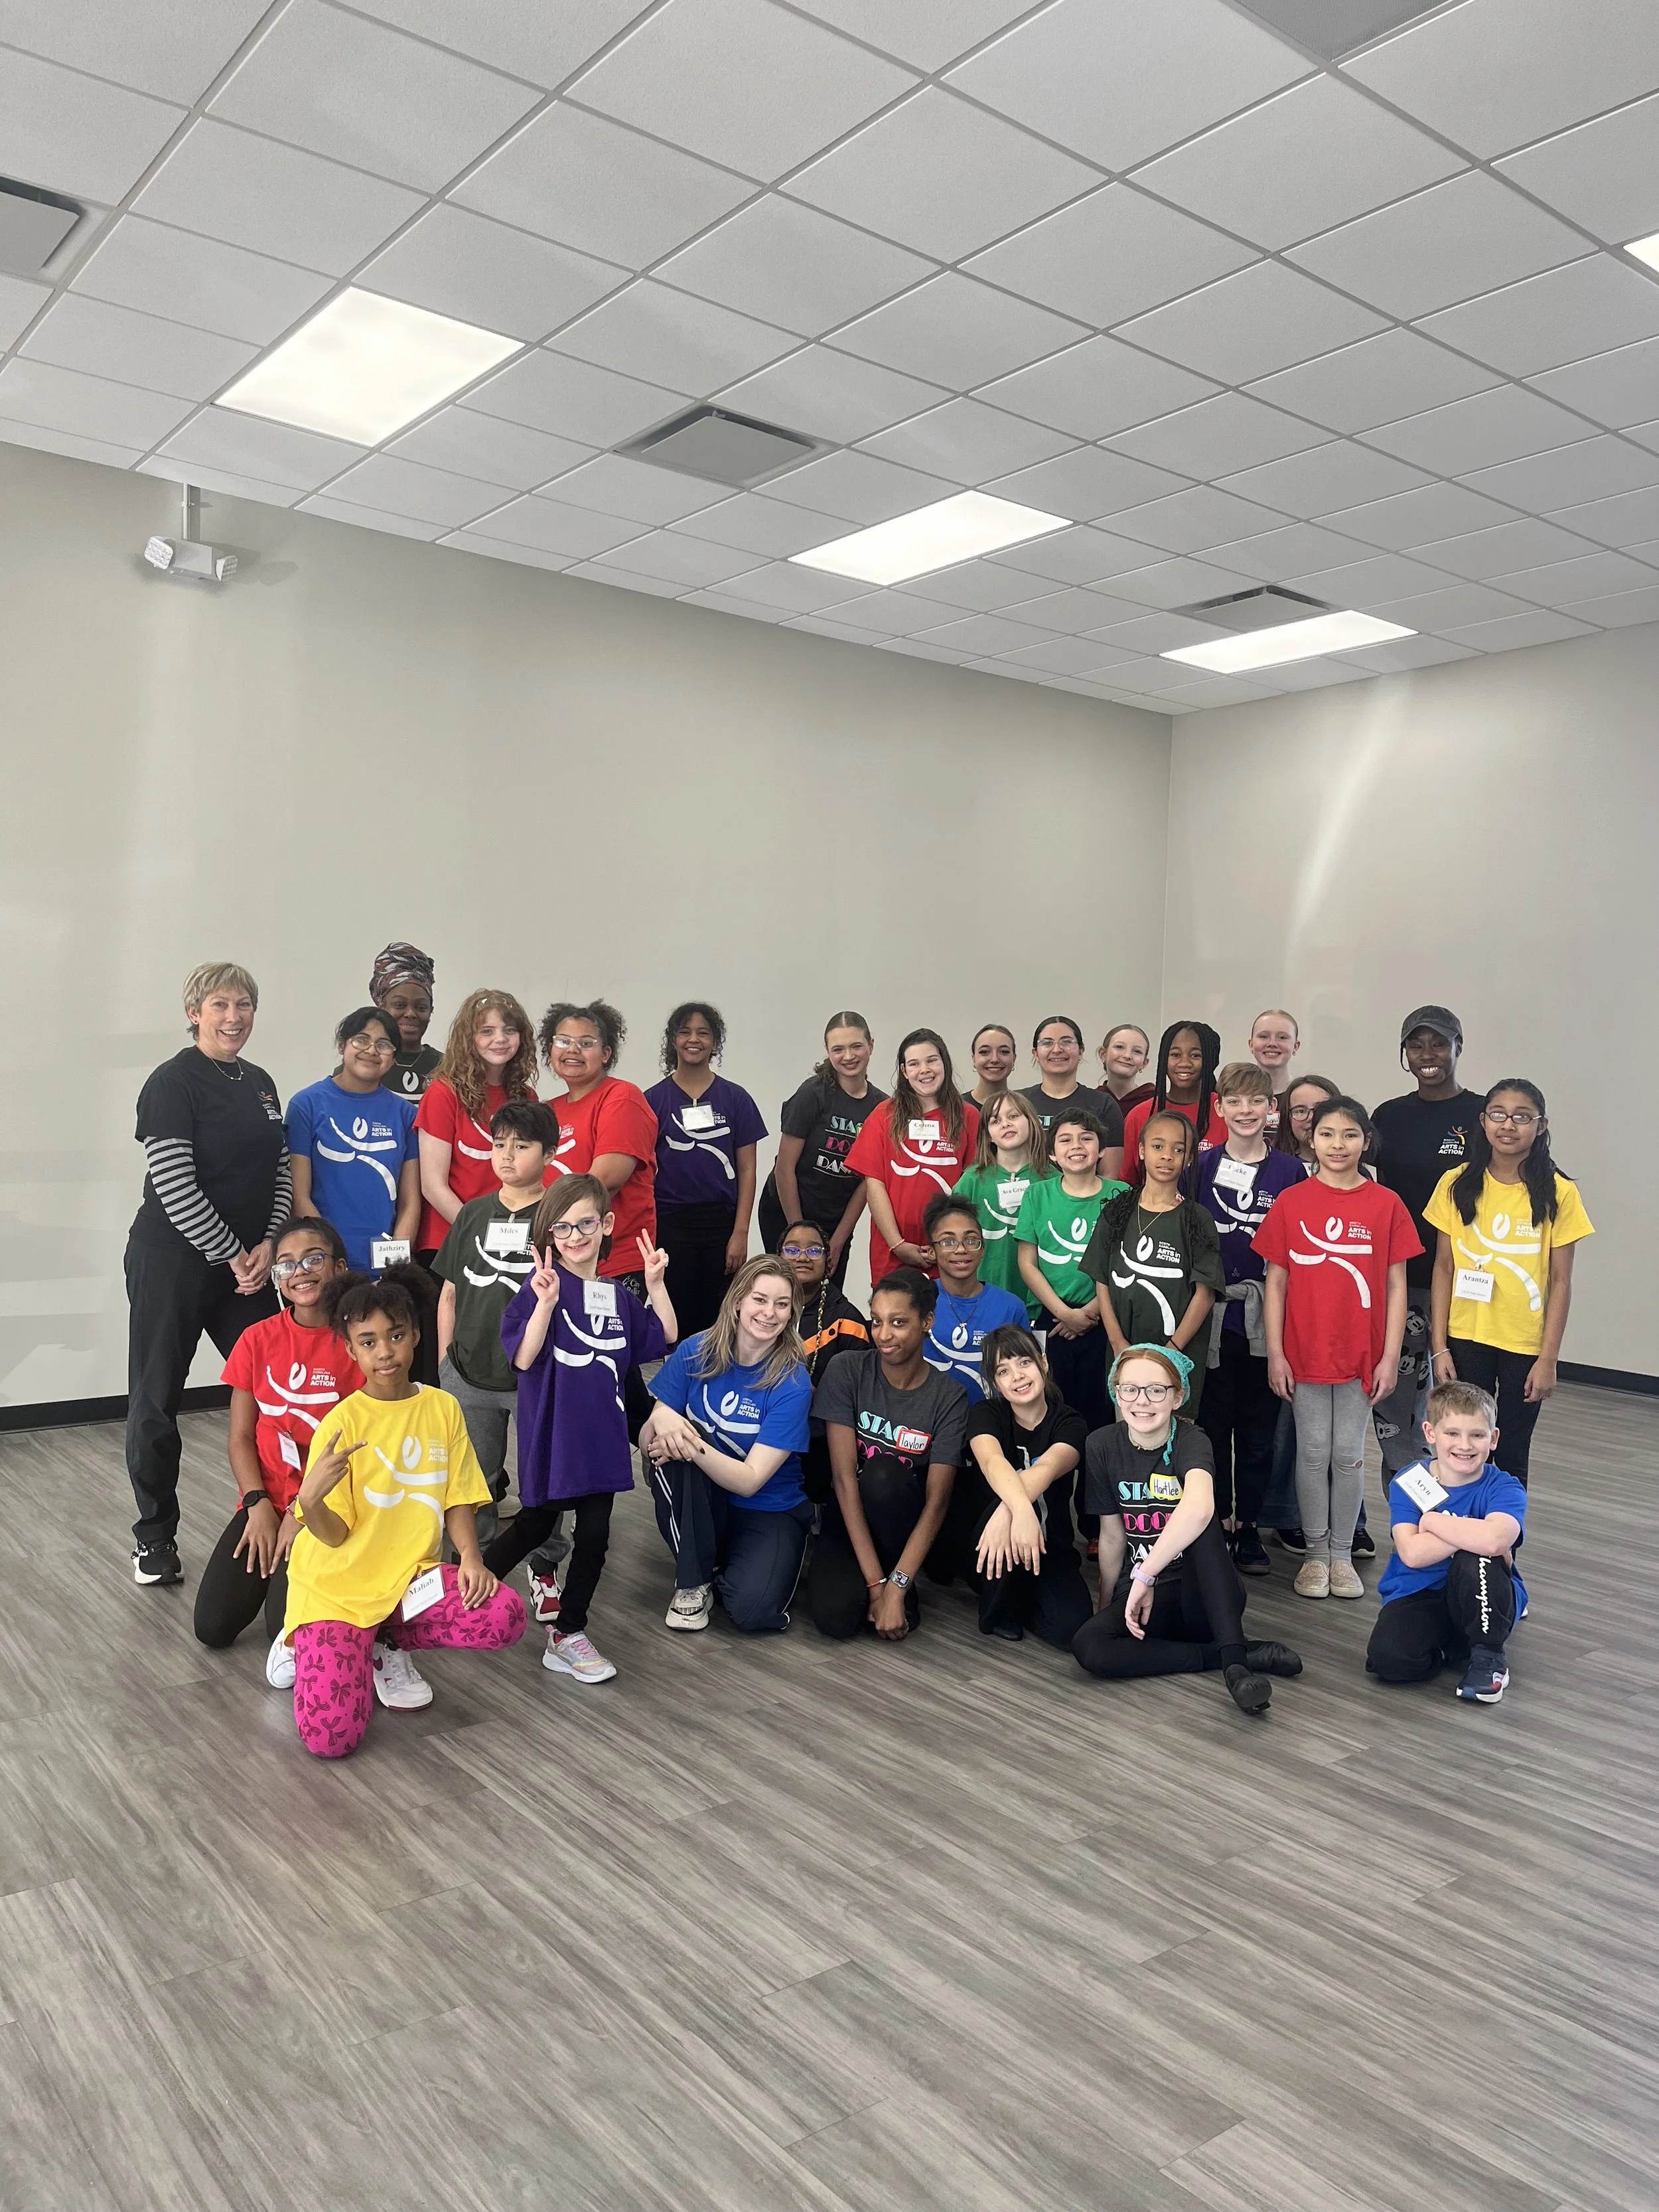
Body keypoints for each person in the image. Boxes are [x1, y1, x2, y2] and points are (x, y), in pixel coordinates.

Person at [281, 1272, 526, 1757]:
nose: (385, 1352)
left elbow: (457, 1493)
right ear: (351, 1350)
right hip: (338, 1589)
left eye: (395, 1335)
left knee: (503, 1615)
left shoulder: (443, 1406)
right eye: (368, 1341)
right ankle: (311, 1640)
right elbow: (331, 1535)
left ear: (416, 1333)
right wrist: (309, 1503)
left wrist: (472, 1559)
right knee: (330, 1740)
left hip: (407, 1581)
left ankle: (384, 1640)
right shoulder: (342, 1423)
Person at [125, 962, 290, 1588]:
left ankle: (284, 1514)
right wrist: (232, 1251)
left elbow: (279, 1171)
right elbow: (173, 1182)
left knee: (281, 1388)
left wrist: (267, 1244)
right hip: (172, 1262)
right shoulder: (172, 1082)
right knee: (156, 1399)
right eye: (220, 1004)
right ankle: (154, 1537)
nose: (234, 1017)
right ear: (195, 1011)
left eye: (245, 1004)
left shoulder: (261, 1082)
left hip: (247, 1266)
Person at [485, 1175, 676, 1684]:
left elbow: (665, 1337)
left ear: (606, 1223)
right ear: (549, 1233)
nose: (574, 1236)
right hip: (554, 1438)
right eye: (563, 1226)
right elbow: (523, 1357)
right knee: (533, 1525)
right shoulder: (541, 1286)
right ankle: (468, 1590)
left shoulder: (615, 1295)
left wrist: (655, 1285)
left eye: (585, 1223)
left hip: (602, 1443)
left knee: (595, 1536)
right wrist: (545, 1304)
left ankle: (568, 1633)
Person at [1073, 1345, 1301, 1714]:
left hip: (1207, 1594)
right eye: (1129, 1388)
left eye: (1156, 1390)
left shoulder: (1192, 1440)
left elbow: (1198, 1508)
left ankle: (1236, 1668)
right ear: (1116, 1393)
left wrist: (1145, 1574)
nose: (1141, 1400)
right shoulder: (1101, 1445)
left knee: (1200, 1521)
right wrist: (1109, 1606)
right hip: (1150, 1599)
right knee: (1089, 1646)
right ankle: (1237, 1653)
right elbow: (1113, 1536)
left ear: (1177, 1397)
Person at [1255, 1095, 1420, 1601]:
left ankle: (1343, 1554)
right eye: (1327, 1133)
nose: (1338, 1144)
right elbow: (1276, 1284)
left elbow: (1397, 1287)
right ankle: (1315, 1554)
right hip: (1304, 1352)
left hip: (1360, 1354)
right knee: (1312, 1453)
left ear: (1365, 1140)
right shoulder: (1292, 1201)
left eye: (1350, 1134)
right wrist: (1278, 1353)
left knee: (1348, 1456)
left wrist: (1390, 1355)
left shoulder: (1385, 1204)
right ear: (1311, 1138)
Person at [196, 1216, 362, 1684]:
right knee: (212, 1627)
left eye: (313, 1259)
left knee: (281, 1632)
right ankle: (281, 1569)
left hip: (327, 1506)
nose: (299, 1271)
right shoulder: (257, 1339)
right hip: (266, 1501)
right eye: (286, 1264)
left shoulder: (358, 1342)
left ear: (339, 1267)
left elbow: (364, 1451)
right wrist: (257, 1503)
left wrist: (303, 1512)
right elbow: (240, 1437)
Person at [1425, 1079, 1593, 1488]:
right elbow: (1443, 1268)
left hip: (1525, 1344)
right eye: (1498, 1114)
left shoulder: (1559, 1192)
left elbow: (1561, 1281)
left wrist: (1549, 1359)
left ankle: (1501, 1546)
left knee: (1512, 1449)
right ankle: (1461, 1539)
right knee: (1462, 1446)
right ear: (1483, 1122)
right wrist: (1439, 1344)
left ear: (1541, 1126)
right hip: (1466, 1337)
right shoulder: (1456, 1183)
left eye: (1522, 1117)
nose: (1508, 1125)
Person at [642, 1257, 815, 1635]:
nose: (769, 1313)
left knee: (753, 1612)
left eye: (782, 1304)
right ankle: (694, 1580)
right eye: (760, 1299)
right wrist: (660, 1419)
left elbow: (751, 1480)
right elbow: (647, 1446)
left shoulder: (792, 1383)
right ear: (738, 1301)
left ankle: (727, 1562)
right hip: (702, 1495)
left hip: (767, 1507)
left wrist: (686, 1440)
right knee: (675, 1454)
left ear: (791, 1313)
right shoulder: (695, 1350)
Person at [806, 1270, 968, 1640]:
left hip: (904, 1525)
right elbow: (844, 1481)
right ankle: (879, 1591)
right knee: (835, 1621)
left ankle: (906, 1590)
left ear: (927, 1322)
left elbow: (937, 1502)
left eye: (898, 1323)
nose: (883, 1334)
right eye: (876, 1321)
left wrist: (897, 1586)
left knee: (883, 1473)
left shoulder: (950, 1397)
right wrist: (876, 1585)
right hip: (850, 1517)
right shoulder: (847, 1370)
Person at [430, 1100, 561, 1547]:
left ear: (549, 1153)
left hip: (535, 1377)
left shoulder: (558, 1218)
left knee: (541, 1480)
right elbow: (449, 1292)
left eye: (521, 1145)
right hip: (468, 1374)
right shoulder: (472, 1213)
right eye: (499, 1144)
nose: (507, 1155)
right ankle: (471, 1569)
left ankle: (546, 1567)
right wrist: (446, 1362)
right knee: (473, 1481)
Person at [1192, 1065, 1307, 1575]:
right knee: (1213, 1429)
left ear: (1271, 1109)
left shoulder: (1289, 1172)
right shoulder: (1200, 1167)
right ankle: (1216, 1524)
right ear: (1219, 1107)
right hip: (1211, 1316)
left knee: (1260, 1434)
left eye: (1255, 1102)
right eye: (1234, 1102)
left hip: (1268, 1318)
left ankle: (1251, 1529)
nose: (1244, 1111)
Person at [1370, 1007, 1482, 1481]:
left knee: (1460, 1413)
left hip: (1467, 1286)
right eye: (1417, 1046)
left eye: (1439, 1044)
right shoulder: (1388, 1117)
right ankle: (1412, 1518)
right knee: (1396, 1415)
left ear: (1459, 1047)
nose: (1428, 1055)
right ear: (1405, 1054)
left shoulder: (1480, 1115)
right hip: (1401, 1281)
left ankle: (1462, 1514)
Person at [1366, 1380, 1526, 1704]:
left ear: (1493, 1439)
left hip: (1480, 1588)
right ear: (1430, 1433)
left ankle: (1488, 1655)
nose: (1464, 1445)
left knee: (1478, 1557)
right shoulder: (1410, 1481)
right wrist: (1473, 1531)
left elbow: (1496, 1541)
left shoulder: (1505, 1487)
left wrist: (1433, 1522)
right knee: (1389, 1660)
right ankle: (1457, 1646)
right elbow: (1412, 1554)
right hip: (1419, 1590)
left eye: (1477, 1435)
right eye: (1452, 1433)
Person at [1085, 1110, 1224, 1416]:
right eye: (1158, 1146)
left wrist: (1172, 1351)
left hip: (1177, 1355)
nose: (1167, 1156)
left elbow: (1205, 1293)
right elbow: (1103, 1280)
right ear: (1141, 1150)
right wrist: (1118, 1342)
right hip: (1125, 1353)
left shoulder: (1197, 1219)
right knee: (1130, 1433)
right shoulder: (1117, 1210)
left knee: (1173, 1439)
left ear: (1189, 1158)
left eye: (1178, 1149)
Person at [964, 1326, 1092, 1648]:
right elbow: (992, 1462)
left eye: (1024, 1363)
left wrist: (1012, 1509)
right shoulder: (985, 1414)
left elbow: (1047, 1468)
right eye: (1003, 1371)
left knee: (1071, 1631)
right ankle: (999, 1608)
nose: (1017, 1376)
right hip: (992, 1544)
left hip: (1050, 1548)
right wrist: (1018, 1511)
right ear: (995, 1383)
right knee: (1016, 1499)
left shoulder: (1070, 1421)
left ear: (1044, 1363)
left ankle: (1022, 1602)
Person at [644, 1001, 766, 1337]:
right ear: (673, 1040)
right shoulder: (653, 1101)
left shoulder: (736, 1098)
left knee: (720, 1319)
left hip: (722, 1226)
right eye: (684, 1032)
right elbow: (642, 1174)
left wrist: (740, 1232)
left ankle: (713, 1386)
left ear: (715, 1041)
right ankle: (677, 1388)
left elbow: (748, 1170)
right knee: (675, 1317)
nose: (693, 1040)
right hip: (670, 1223)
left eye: (703, 1033)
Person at [286, 1007, 421, 1272]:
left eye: (383, 1045)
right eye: (361, 1040)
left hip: (385, 1264)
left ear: (393, 1057)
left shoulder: (406, 1114)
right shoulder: (307, 1105)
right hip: (325, 1265)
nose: (372, 1051)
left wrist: (395, 1270)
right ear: (341, 1045)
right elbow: (300, 1198)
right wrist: (329, 1262)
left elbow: (410, 1203)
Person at [1015, 1110, 1125, 1433]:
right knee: (1053, 1412)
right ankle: (1057, 1483)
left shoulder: (1122, 1195)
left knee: (1099, 1413)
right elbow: (1027, 1263)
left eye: (1086, 1138)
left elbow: (1125, 1264)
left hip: (1104, 1318)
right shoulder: (1037, 1194)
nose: (1076, 1146)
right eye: (1065, 1140)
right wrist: (1064, 1312)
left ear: (1102, 1150)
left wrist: (1090, 1313)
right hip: (1052, 1320)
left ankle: (1095, 1483)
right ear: (1052, 1153)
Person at [757, 1013, 885, 1288]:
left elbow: (867, 1184)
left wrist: (838, 1240)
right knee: (787, 1292)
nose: (848, 1056)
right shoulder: (813, 1094)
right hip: (786, 1212)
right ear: (828, 1052)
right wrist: (800, 1235)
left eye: (856, 1046)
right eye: (838, 1049)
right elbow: (784, 1169)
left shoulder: (881, 1107)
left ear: (871, 1046)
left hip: (836, 1220)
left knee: (828, 1296)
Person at [845, 1029, 979, 1286]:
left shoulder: (969, 1117)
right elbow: (875, 1186)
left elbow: (972, 1187)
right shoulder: (884, 1115)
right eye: (914, 1064)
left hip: (952, 1254)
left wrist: (948, 1244)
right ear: (905, 1072)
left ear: (944, 1064)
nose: (925, 1070)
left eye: (932, 1060)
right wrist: (898, 1244)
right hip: (893, 1253)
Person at [413, 988, 539, 1260]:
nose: (500, 1039)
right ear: (468, 1038)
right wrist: (479, 1232)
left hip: (510, 1241)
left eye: (509, 1030)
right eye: (487, 1031)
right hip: (451, 1240)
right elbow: (433, 1186)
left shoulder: (527, 1097)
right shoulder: (443, 1094)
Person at [778, 1220, 869, 1504]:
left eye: (813, 1250)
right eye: (792, 1250)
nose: (802, 1257)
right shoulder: (761, 1309)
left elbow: (859, 1396)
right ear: (779, 1257)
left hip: (819, 1435)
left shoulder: (848, 1320)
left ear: (828, 1262)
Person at [952, 1090, 1052, 1317]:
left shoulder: (1052, 1180)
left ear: (1032, 1123)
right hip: (984, 1299)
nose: (1006, 1124)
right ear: (988, 1135)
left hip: (1040, 1303)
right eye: (996, 1120)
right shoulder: (972, 1180)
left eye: (1014, 1116)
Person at [920, 1193, 1028, 1402]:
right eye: (948, 1241)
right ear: (932, 1251)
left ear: (983, 1250)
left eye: (971, 1240)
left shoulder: (1011, 1307)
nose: (961, 1249)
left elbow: (1027, 1375)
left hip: (994, 1424)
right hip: (929, 1421)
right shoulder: (918, 1301)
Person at [1019, 1014, 1125, 1178]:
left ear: (1081, 1051)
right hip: (1027, 1200)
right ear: (1035, 1053)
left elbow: (1109, 1178)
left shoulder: (1104, 1105)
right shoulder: (1019, 1103)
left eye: (1066, 1042)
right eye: (1047, 1043)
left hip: (1087, 1202)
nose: (1057, 1049)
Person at [1120, 1020, 1226, 1181]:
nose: (1184, 1063)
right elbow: (1130, 1181)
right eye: (1175, 1055)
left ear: (1210, 1061)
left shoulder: (1227, 1112)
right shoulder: (1139, 1115)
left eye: (1195, 1055)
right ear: (1164, 1059)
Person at [368, 942, 441, 1100]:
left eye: (421, 1007)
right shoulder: (363, 1064)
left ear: (431, 1010)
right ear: (381, 1006)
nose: (410, 1014)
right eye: (399, 1005)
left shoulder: (450, 1068)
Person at [1246, 1008, 1301, 1132]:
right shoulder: (1233, 1095)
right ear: (1251, 1044)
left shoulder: (1305, 1098)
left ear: (1295, 1046)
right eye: (1263, 1036)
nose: (1272, 1043)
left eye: (1282, 1037)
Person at [1274, 1073, 1342, 1168]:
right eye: (1300, 1111)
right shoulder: (1277, 1169)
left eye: (1320, 1108)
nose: (1311, 1117)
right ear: (1288, 1119)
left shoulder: (1355, 1170)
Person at [1096, 1022, 1153, 1115]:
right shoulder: (1090, 1101)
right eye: (1119, 1047)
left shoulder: (1155, 1102)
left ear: (1144, 1063)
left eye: (1137, 1051)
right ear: (1103, 1054)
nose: (1127, 1056)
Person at [967, 1022, 1017, 1110]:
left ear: (1014, 1059)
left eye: (1004, 1052)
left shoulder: (1024, 1109)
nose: (995, 1059)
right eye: (985, 1052)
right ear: (974, 1059)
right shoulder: (956, 1109)